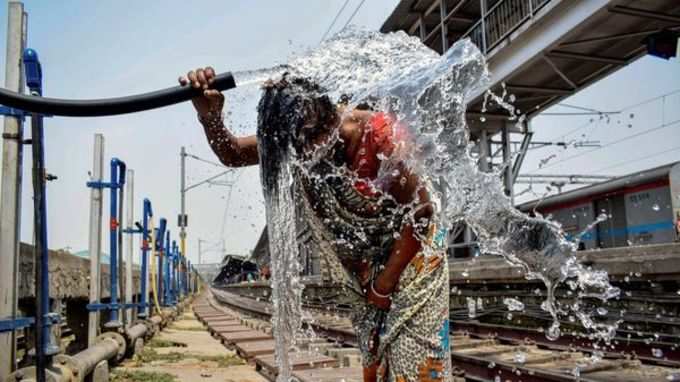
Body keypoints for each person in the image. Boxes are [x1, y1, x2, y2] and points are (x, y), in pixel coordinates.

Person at [180, 67, 450, 382]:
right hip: (367, 262)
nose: (307, 153)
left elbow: (421, 211)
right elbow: (234, 154)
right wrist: (209, 116)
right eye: (296, 148)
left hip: (414, 252)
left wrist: (384, 284)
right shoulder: (296, 139)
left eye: (312, 140)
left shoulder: (380, 134)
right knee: (374, 362)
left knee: (416, 363)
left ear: (330, 116)